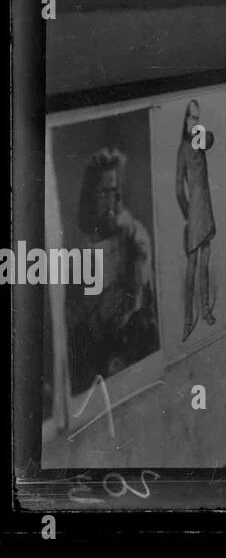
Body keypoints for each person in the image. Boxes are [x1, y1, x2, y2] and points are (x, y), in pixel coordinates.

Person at [66, 147, 158, 393]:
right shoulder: (77, 249)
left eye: (115, 191)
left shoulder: (133, 235)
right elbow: (75, 330)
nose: (112, 200)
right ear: (91, 195)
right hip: (97, 366)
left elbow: (144, 301)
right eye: (104, 192)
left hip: (134, 348)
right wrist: (98, 319)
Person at [176, 99, 217, 341]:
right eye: (191, 117)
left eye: (197, 117)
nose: (195, 121)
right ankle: (187, 320)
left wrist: (201, 132)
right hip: (194, 216)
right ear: (185, 120)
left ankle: (205, 312)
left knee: (204, 265)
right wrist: (187, 216)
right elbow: (178, 190)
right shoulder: (183, 149)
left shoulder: (200, 141)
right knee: (192, 269)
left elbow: (210, 138)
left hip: (207, 212)